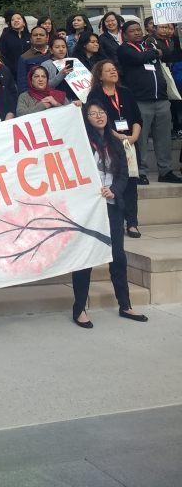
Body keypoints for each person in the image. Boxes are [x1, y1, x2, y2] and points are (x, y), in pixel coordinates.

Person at [71, 102, 148, 328]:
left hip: (112, 205)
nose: (99, 116)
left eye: (102, 112)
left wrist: (114, 189)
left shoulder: (116, 142)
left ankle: (125, 305)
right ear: (86, 118)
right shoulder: (81, 141)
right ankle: (79, 309)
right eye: (93, 113)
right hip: (88, 208)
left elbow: (124, 174)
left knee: (118, 256)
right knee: (85, 257)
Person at [117, 20, 180, 183]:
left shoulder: (148, 45)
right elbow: (139, 58)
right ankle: (141, 172)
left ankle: (165, 171)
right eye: (132, 31)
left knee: (163, 138)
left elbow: (169, 54)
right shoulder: (124, 49)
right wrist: (156, 53)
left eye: (139, 30)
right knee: (141, 139)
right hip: (140, 100)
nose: (137, 32)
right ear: (125, 35)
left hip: (161, 99)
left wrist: (174, 37)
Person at [88, 59, 143, 238]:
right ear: (100, 76)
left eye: (114, 69)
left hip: (130, 143)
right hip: (110, 143)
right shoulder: (95, 94)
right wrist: (118, 137)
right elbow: (97, 119)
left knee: (131, 183)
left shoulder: (125, 92)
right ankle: (114, 221)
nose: (113, 72)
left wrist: (133, 137)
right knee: (115, 180)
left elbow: (137, 118)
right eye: (108, 70)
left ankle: (132, 223)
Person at [16, 25, 51, 93]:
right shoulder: (24, 57)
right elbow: (22, 83)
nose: (38, 37)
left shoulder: (55, 53)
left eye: (41, 35)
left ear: (47, 38)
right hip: (34, 95)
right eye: (35, 35)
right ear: (31, 39)